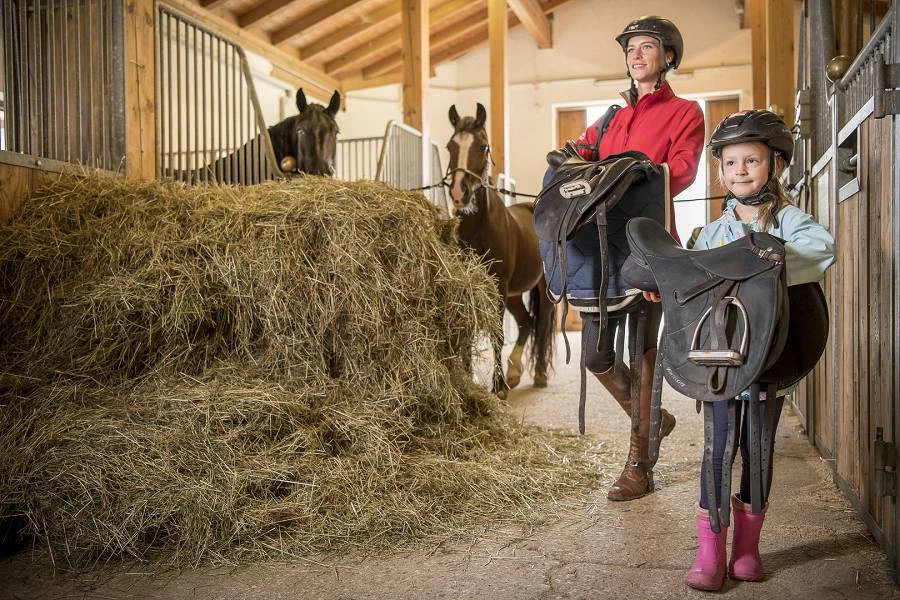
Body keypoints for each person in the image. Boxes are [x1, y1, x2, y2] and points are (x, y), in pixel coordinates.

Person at [643, 109, 835, 591]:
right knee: (717, 447)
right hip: (719, 361)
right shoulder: (709, 234)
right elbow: (690, 274)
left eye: (751, 160)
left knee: (759, 449)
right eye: (730, 163)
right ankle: (710, 552)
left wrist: (761, 261)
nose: (740, 170)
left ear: (775, 165)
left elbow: (821, 250)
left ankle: (747, 550)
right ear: (721, 171)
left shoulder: (794, 223)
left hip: (769, 357)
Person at [570, 16, 705, 501]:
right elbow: (582, 154)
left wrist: (633, 172)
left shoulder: (685, 112)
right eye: (630, 48)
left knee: (642, 355)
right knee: (595, 355)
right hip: (604, 245)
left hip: (649, 242)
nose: (635, 54)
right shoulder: (610, 118)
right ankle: (652, 422)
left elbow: (682, 170)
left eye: (646, 46)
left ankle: (638, 465)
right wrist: (568, 161)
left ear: (668, 57)